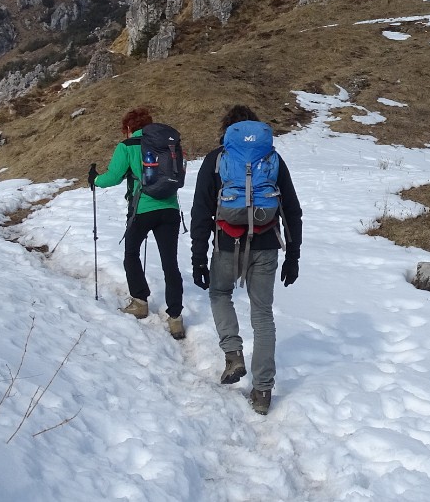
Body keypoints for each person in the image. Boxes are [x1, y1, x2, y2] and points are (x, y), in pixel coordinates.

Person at [191, 104, 303, 415]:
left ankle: (233, 354)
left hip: (227, 242)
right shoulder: (272, 159)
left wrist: (198, 256)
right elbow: (292, 210)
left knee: (219, 293)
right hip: (267, 244)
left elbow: (201, 211)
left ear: (227, 131)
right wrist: (293, 255)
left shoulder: (218, 160)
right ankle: (263, 391)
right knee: (263, 314)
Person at [91, 107, 186, 340]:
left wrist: (94, 178)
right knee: (170, 263)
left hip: (141, 210)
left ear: (128, 128)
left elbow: (112, 177)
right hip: (170, 209)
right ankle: (175, 319)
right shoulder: (168, 145)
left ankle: (140, 301)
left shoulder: (127, 146)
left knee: (131, 253)